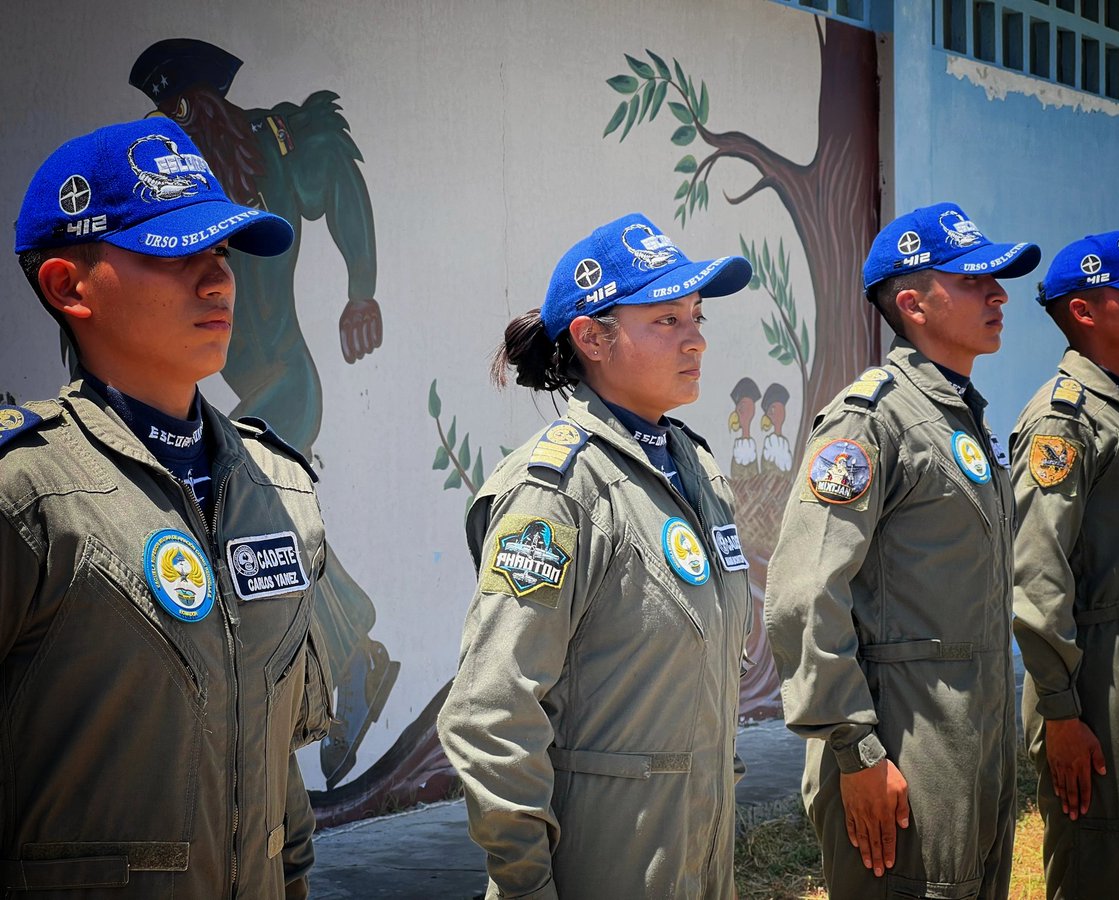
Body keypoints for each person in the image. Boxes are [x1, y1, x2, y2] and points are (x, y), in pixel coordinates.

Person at [2, 119, 332, 898]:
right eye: (174, 252)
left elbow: (277, 758)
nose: (217, 282)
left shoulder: (278, 487)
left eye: (220, 252)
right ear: (67, 285)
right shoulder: (28, 494)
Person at [436, 212, 754, 899]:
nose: (696, 338)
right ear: (592, 337)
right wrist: (524, 885)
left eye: (697, 316)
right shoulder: (557, 491)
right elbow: (492, 714)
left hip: (695, 864)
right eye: (666, 320)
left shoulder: (691, 466)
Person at [129, 38, 397, 788]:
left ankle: (350, 663)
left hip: (288, 387)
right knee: (270, 537)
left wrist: (362, 289)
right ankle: (356, 657)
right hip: (253, 395)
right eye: (163, 114)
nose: (172, 126)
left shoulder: (270, 143)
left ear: (203, 102)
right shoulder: (187, 184)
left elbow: (338, 176)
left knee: (250, 527)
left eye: (180, 109)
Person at [765, 202, 1040, 899]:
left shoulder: (957, 414)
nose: (1000, 294)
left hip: (969, 744)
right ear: (913, 303)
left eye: (997, 280)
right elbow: (805, 595)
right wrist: (855, 749)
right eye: (976, 281)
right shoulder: (871, 420)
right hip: (901, 747)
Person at [1011, 231, 1119, 899]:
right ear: (1084, 312)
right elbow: (1036, 576)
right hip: (1098, 697)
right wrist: (1061, 714)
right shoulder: (1064, 423)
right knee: (1104, 864)